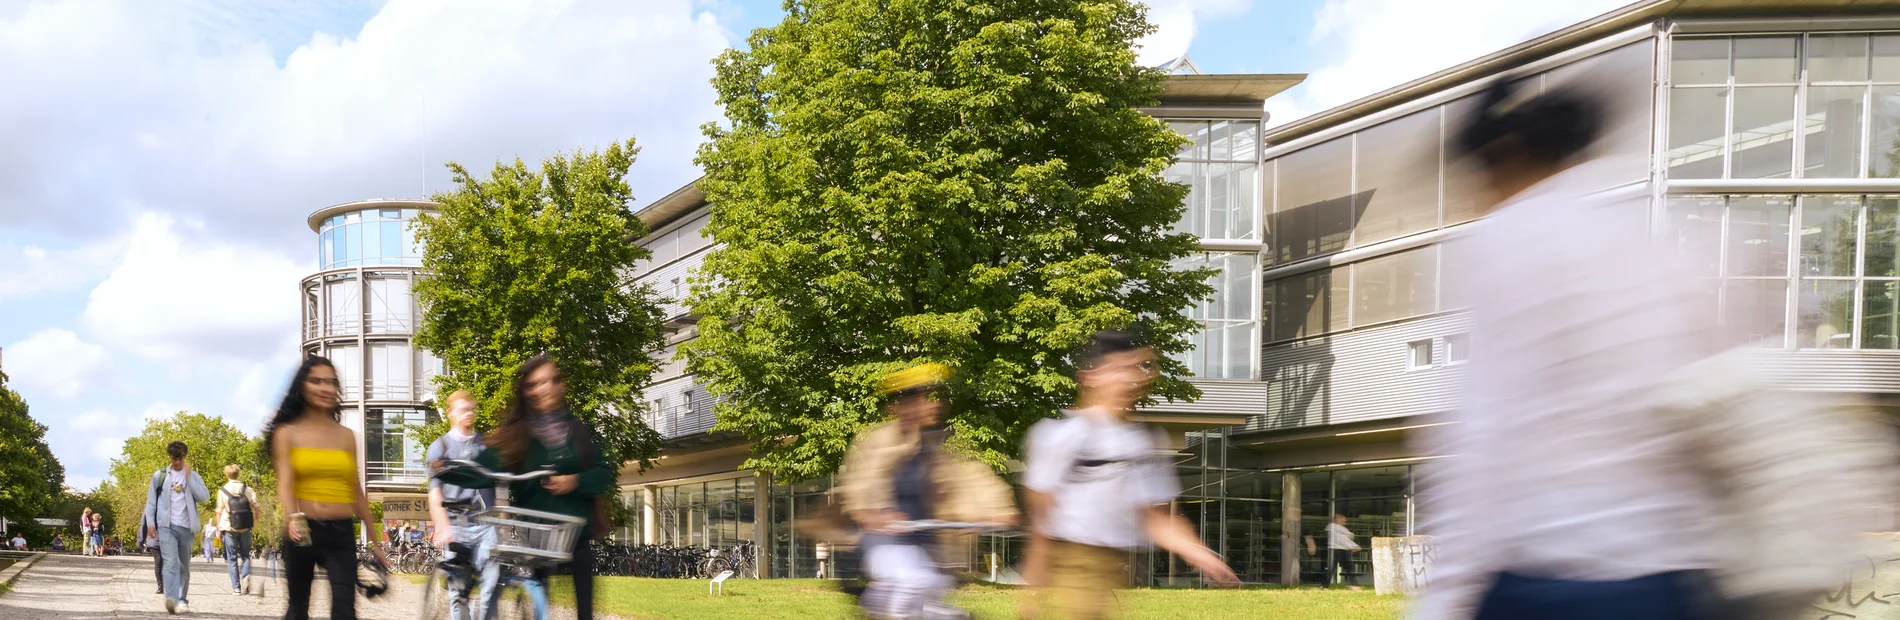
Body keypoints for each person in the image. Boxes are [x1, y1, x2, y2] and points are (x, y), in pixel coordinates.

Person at [1410, 76, 1895, 620]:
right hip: (1680, 580)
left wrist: (1445, 597)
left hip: (1558, 576)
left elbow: (1487, 432)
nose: (1474, 196)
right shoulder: (1654, 240)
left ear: (1503, 157)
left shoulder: (1510, 236)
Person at [1020, 330, 1239, 620]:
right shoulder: (1059, 435)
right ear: (1090, 376)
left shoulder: (1143, 440)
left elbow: (1156, 518)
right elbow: (1041, 518)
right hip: (1074, 561)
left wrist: (1200, 554)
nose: (1130, 378)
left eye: (1134, 368)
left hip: (1115, 565)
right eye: (1118, 369)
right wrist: (1032, 591)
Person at [837, 362, 1018, 620]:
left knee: (932, 592)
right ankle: (876, 606)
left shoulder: (934, 452)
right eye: (918, 400)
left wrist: (999, 510)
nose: (929, 405)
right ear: (899, 408)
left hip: (924, 547)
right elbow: (862, 485)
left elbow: (967, 481)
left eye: (928, 399)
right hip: (885, 543)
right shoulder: (880, 442)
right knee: (912, 582)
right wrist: (872, 515)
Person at [437, 355, 612, 620]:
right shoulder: (517, 434)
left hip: (575, 532)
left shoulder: (576, 429)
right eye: (534, 384)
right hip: (538, 533)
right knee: (535, 594)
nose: (543, 389)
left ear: (559, 386)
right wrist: (449, 471)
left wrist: (574, 481)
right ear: (525, 391)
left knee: (584, 606)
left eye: (550, 381)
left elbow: (603, 474)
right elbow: (484, 469)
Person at [266, 355, 389, 620]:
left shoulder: (346, 436)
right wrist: (292, 518)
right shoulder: (287, 433)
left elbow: (355, 490)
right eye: (317, 381)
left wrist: (376, 541)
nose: (326, 388)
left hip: (340, 533)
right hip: (303, 530)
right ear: (302, 386)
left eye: (332, 383)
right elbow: (285, 485)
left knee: (345, 611)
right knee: (298, 609)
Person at [426, 389, 502, 620]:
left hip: (486, 523)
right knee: (459, 593)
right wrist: (443, 526)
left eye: (471, 408)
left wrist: (503, 523)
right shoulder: (440, 448)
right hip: (457, 525)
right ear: (450, 412)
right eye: (463, 409)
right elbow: (434, 493)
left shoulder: (486, 446)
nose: (468, 413)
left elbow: (499, 487)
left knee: (492, 582)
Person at [138, 440, 210, 614]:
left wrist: (188, 478)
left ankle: (182, 600)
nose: (177, 462)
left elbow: (204, 497)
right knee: (170, 563)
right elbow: (151, 502)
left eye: (180, 458)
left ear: (185, 457)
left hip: (187, 527)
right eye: (174, 458)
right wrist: (151, 524)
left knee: (184, 566)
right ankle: (170, 598)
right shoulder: (160, 476)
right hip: (166, 527)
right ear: (169, 457)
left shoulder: (193, 475)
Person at [214, 463, 258, 595]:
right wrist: (255, 522)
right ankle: (246, 575)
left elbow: (219, 511)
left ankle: (236, 588)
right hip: (245, 527)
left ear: (226, 475)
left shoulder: (223, 491)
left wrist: (219, 528)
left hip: (229, 527)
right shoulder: (247, 489)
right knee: (245, 556)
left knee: (232, 558)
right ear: (238, 474)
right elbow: (257, 506)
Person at [141, 510, 165, 594]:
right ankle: (161, 586)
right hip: (155, 540)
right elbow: (143, 525)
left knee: (163, 562)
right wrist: (141, 540)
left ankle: (165, 585)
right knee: (159, 561)